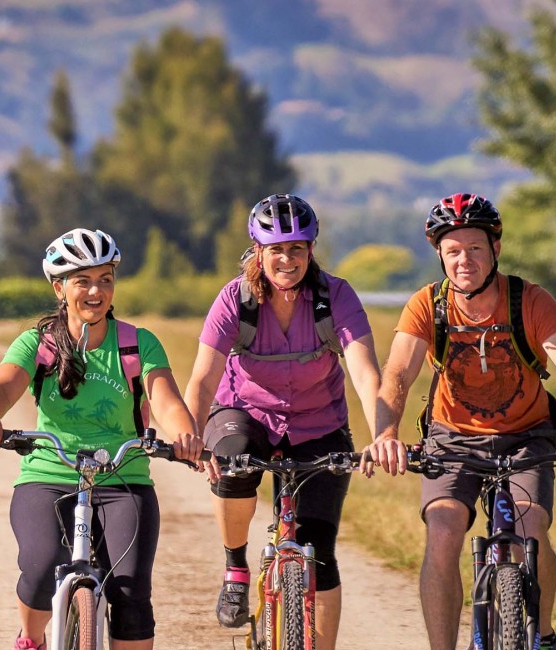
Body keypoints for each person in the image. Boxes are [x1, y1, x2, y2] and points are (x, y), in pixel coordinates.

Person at [360, 193, 556, 650]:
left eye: (474, 248)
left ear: (496, 250)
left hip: (526, 438)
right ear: (440, 255)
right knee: (444, 534)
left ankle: (543, 633)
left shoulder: (529, 302)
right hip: (452, 441)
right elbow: (397, 375)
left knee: (531, 530)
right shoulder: (428, 305)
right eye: (452, 251)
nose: (463, 260)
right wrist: (386, 434)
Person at [0, 228, 203, 650]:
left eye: (105, 279)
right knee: (41, 567)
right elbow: (5, 384)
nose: (96, 290)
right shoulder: (38, 343)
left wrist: (184, 433)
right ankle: (32, 638)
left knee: (130, 595)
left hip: (123, 479)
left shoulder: (136, 344)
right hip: (48, 474)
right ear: (59, 287)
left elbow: (164, 397)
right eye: (83, 280)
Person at [180, 194, 380, 647]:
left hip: (319, 422)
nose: (286, 259)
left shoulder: (336, 296)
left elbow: (365, 372)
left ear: (311, 250)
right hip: (244, 413)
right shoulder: (237, 299)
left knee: (320, 554)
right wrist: (192, 436)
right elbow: (203, 378)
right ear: (258, 251)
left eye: (297, 249)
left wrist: (382, 434)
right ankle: (235, 566)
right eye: (276, 250)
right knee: (232, 465)